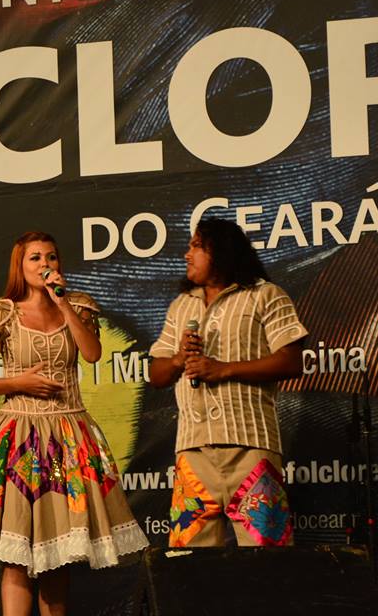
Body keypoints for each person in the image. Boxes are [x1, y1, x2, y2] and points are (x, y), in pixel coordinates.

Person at [0, 232, 148, 616]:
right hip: (18, 437)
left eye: (51, 257)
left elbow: (92, 353)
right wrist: (19, 383)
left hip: (67, 437)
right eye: (35, 258)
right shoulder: (1, 314)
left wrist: (63, 302)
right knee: (16, 556)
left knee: (58, 556)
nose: (44, 264)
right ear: (20, 266)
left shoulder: (79, 306)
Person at [148, 218, 307, 548]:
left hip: (250, 446)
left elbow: (292, 361)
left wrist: (223, 370)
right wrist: (178, 359)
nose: (187, 254)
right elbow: (156, 375)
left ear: (221, 251)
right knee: (189, 558)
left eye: (196, 246)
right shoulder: (182, 305)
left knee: (266, 552)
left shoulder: (264, 295)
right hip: (193, 451)